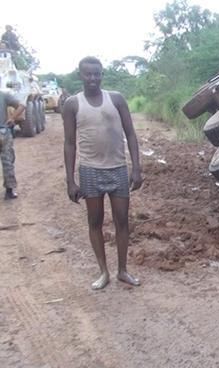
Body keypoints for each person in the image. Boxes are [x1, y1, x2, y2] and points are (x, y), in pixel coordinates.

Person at [62, 56, 143, 290]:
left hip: (117, 169)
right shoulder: (72, 104)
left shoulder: (116, 99)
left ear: (102, 75)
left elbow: (131, 134)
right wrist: (70, 180)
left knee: (122, 222)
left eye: (97, 74)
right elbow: (69, 143)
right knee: (95, 222)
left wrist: (136, 168)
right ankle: (103, 272)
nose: (93, 79)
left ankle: (122, 271)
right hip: (90, 171)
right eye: (88, 74)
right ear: (81, 75)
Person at [0, 91, 24, 199]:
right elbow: (22, 105)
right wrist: (12, 118)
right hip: (2, 132)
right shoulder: (3, 95)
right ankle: (9, 191)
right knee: (7, 161)